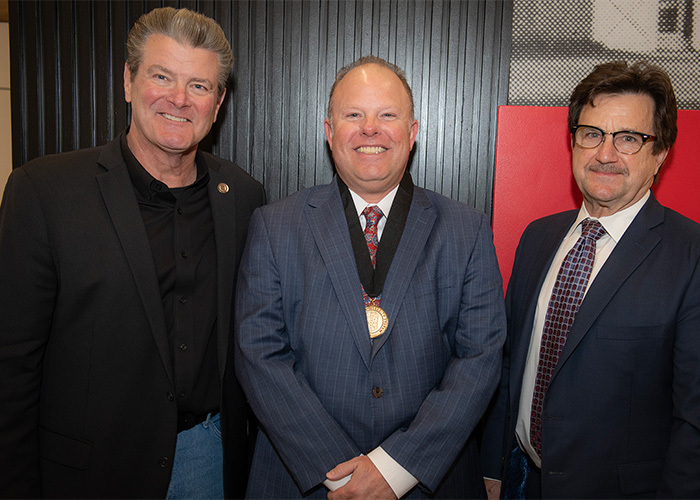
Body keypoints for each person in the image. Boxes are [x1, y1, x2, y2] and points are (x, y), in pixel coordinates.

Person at [0, 7, 264, 499]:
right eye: (161, 76)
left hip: (209, 459)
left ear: (219, 101)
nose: (179, 99)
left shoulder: (245, 198)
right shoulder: (44, 191)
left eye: (200, 86)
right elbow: (11, 367)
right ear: (128, 80)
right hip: (90, 471)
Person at [233, 55, 506, 499]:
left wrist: (395, 468)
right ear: (329, 131)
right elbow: (258, 354)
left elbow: (480, 357)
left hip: (426, 480)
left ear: (412, 132)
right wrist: (337, 470)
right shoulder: (274, 225)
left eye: (387, 115)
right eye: (354, 115)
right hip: (304, 479)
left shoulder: (466, 228)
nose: (370, 129)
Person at [482, 61, 700, 498]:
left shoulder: (691, 254)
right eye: (592, 133)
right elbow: (507, 367)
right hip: (522, 482)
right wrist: (492, 470)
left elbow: (694, 418)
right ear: (573, 142)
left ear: (660, 153)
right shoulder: (538, 237)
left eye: (629, 139)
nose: (605, 153)